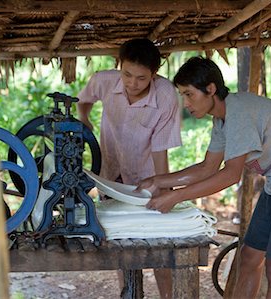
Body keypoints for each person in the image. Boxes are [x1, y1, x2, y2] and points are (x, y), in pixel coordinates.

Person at [136, 56, 271, 299]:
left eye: (189, 94)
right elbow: (208, 167)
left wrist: (176, 197)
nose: (185, 103)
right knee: (249, 257)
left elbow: (229, 175)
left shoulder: (238, 114)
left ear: (210, 89)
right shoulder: (222, 119)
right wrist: (158, 181)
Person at [77, 38, 182, 299]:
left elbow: (160, 149)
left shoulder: (166, 95)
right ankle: (130, 294)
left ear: (154, 75)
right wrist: (84, 119)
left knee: (159, 242)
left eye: (141, 78)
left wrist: (164, 191)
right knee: (120, 241)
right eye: (127, 74)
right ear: (119, 66)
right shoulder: (104, 80)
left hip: (148, 175)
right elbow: (83, 100)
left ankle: (167, 296)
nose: (132, 83)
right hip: (111, 171)